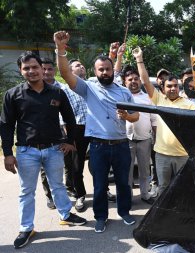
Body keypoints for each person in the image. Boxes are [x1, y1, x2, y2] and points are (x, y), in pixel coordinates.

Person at [54, 30, 140, 233]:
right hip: (98, 146)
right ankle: (101, 217)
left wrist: (127, 117)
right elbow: (66, 74)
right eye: (100, 70)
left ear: (112, 70)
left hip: (121, 145)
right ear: (95, 71)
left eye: (107, 69)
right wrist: (60, 49)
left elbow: (136, 115)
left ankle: (124, 212)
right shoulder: (88, 88)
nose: (104, 73)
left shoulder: (124, 91)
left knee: (123, 184)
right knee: (100, 185)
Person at [0, 51, 87, 249]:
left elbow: (70, 118)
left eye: (35, 67)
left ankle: (65, 214)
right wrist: (7, 153)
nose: (32, 71)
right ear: (21, 71)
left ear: (42, 68)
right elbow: (5, 125)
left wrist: (70, 140)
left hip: (54, 149)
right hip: (26, 151)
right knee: (26, 191)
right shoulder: (13, 95)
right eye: (26, 68)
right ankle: (26, 228)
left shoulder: (57, 93)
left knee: (58, 185)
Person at [132, 47, 195, 196]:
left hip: (182, 155)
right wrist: (139, 59)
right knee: (163, 188)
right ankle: (162, 217)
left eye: (175, 86)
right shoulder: (159, 99)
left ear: (179, 87)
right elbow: (146, 81)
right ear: (163, 88)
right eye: (169, 86)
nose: (173, 88)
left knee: (182, 188)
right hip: (162, 155)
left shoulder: (189, 104)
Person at [40, 58, 89, 212]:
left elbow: (67, 114)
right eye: (44, 69)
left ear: (54, 70)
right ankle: (50, 196)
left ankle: (73, 189)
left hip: (67, 132)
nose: (46, 72)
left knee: (71, 164)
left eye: (49, 69)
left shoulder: (63, 89)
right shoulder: (32, 89)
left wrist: (70, 136)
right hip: (44, 136)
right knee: (47, 167)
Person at [68, 58, 117, 203]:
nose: (81, 66)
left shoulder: (94, 83)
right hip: (78, 129)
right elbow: (63, 115)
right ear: (70, 71)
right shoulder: (66, 89)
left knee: (100, 164)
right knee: (77, 165)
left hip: (96, 127)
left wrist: (114, 55)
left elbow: (111, 71)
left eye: (82, 64)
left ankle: (104, 190)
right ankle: (80, 195)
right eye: (77, 65)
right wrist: (68, 136)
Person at [120, 67, 157, 205]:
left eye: (136, 79)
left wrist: (156, 137)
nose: (133, 81)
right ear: (124, 82)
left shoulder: (148, 97)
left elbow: (154, 119)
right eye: (130, 79)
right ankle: (128, 196)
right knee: (127, 171)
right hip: (126, 140)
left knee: (144, 169)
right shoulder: (121, 96)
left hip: (145, 140)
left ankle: (145, 194)